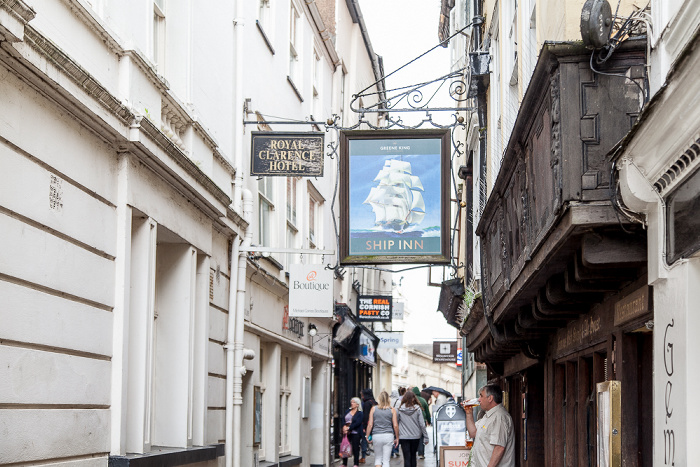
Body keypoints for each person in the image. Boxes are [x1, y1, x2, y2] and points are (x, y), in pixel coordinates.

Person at [463, 384, 515, 467]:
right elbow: (473, 433)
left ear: (490, 398)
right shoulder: (488, 415)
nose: (479, 400)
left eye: (481, 396)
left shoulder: (499, 417)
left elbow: (499, 447)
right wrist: (469, 413)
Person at [366, 391, 399, 467]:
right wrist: (397, 437)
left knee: (378, 458)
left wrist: (367, 436)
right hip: (388, 435)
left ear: (379, 399)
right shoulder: (392, 410)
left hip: (376, 435)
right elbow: (395, 425)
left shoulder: (373, 409)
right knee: (386, 460)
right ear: (388, 399)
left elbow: (370, 424)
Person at [397, 391, 429, 467]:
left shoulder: (400, 409)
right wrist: (426, 437)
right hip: (415, 436)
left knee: (406, 457)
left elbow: (396, 423)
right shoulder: (417, 409)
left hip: (403, 436)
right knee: (413, 456)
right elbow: (422, 424)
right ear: (414, 398)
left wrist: (397, 435)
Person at [343, 397, 364, 467]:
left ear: (357, 404)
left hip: (356, 432)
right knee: (345, 447)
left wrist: (349, 428)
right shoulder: (347, 411)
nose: (352, 403)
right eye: (351, 402)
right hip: (347, 432)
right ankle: (344, 463)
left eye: (354, 402)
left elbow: (358, 423)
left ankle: (356, 463)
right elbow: (343, 419)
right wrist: (344, 427)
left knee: (355, 448)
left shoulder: (360, 413)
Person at [411, 387, 430, 459]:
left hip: (413, 421)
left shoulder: (411, 401)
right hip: (422, 420)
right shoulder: (423, 400)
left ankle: (414, 451)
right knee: (421, 437)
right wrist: (429, 420)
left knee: (415, 436)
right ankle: (421, 453)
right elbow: (427, 411)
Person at [360, 388, 378, 463]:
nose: (362, 396)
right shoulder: (375, 403)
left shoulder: (367, 403)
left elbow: (366, 416)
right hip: (376, 424)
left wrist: (364, 427)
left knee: (364, 440)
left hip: (369, 425)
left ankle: (363, 457)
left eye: (362, 395)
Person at [391, 387, 406, 458]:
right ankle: (396, 449)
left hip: (389, 419)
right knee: (396, 434)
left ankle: (390, 452)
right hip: (397, 419)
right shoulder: (399, 402)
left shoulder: (388, 401)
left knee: (390, 434)